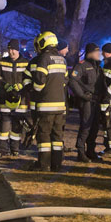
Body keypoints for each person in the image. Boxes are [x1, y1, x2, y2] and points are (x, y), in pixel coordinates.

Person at [28, 31, 68, 171]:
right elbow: (65, 81)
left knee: (44, 135)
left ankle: (43, 165)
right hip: (60, 107)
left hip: (46, 106)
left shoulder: (43, 58)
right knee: (57, 136)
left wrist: (35, 91)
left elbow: (39, 81)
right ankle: (57, 164)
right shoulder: (62, 59)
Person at [69, 43, 104, 162]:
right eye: (96, 52)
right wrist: (82, 95)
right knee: (85, 127)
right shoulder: (82, 65)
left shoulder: (98, 66)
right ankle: (80, 151)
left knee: (94, 127)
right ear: (90, 53)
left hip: (96, 101)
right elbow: (73, 80)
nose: (99, 54)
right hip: (86, 101)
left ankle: (90, 151)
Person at [0, 39, 29, 157]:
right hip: (6, 98)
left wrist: (21, 85)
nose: (11, 52)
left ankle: (15, 148)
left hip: (21, 99)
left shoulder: (26, 63)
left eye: (13, 49)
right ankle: (1, 149)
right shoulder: (2, 62)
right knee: (4, 124)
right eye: (9, 49)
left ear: (18, 50)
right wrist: (5, 85)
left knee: (17, 125)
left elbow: (28, 78)